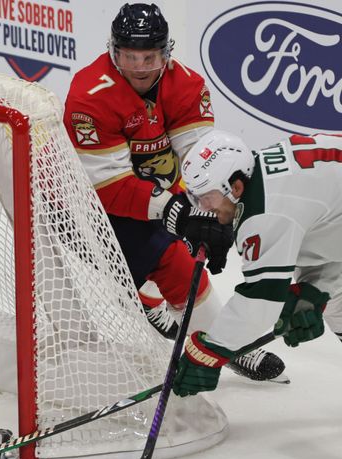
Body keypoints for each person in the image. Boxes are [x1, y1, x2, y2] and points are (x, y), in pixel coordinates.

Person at [62, 2, 286, 381]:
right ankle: (223, 346)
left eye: (149, 56)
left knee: (187, 245)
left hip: (157, 190)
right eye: (130, 56)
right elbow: (110, 187)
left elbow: (200, 161)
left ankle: (150, 298)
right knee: (175, 265)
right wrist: (178, 214)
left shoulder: (187, 85)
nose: (139, 67)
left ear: (166, 53)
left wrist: (210, 210)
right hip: (90, 203)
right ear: (113, 51)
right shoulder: (89, 96)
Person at [173, 131, 342, 396]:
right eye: (196, 198)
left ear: (236, 187)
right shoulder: (267, 176)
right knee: (338, 306)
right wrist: (315, 288)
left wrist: (211, 351)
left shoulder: (264, 211)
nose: (204, 207)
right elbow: (328, 223)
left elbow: (263, 299)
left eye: (207, 197)